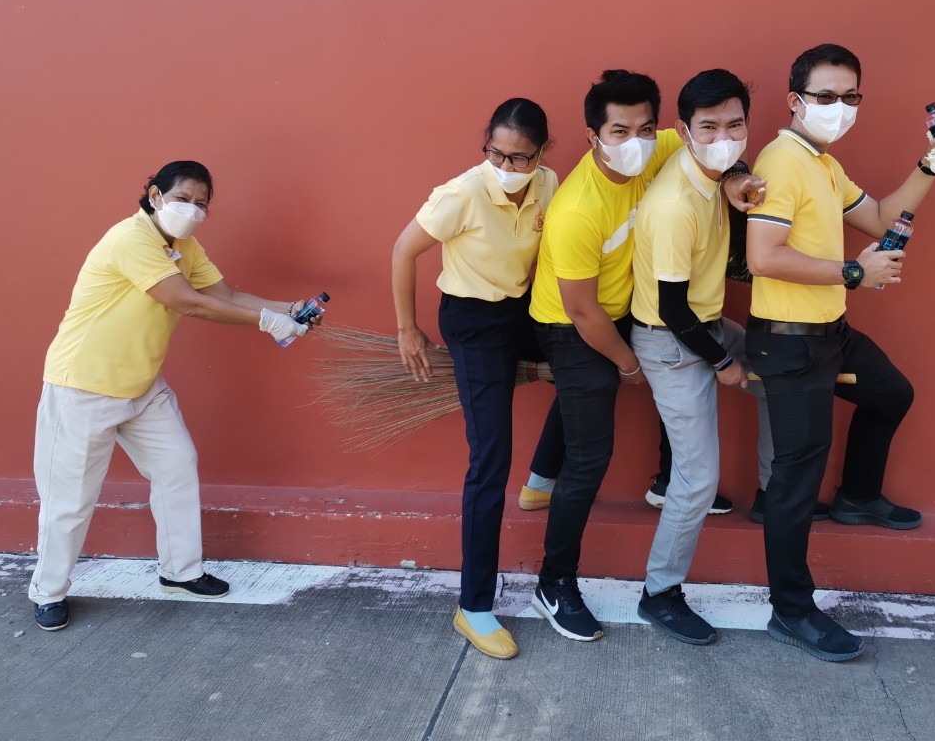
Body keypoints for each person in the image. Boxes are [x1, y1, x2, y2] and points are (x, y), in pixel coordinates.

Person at [30, 160, 319, 632]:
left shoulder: (185, 246)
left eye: (202, 204)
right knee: (70, 499)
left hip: (141, 385)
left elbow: (225, 295)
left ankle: (180, 572)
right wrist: (267, 323)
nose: (193, 210)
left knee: (177, 467)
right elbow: (187, 302)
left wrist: (289, 309)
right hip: (83, 386)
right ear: (155, 195)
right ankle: (48, 592)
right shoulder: (130, 239)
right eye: (183, 198)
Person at [525, 69, 762, 643]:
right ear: (593, 136)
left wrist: (736, 178)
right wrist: (627, 365)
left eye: (646, 129)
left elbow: (714, 145)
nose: (637, 142)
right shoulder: (576, 209)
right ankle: (554, 583)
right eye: (620, 131)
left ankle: (660, 481)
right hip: (573, 326)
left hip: (634, 310)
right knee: (590, 457)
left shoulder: (666, 144)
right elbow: (582, 311)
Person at [745, 44, 935, 662]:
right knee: (796, 481)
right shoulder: (782, 162)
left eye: (850, 96)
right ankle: (791, 610)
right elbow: (763, 257)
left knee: (891, 395)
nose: (840, 106)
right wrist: (854, 274)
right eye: (826, 96)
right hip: (789, 343)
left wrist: (930, 164)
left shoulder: (824, 164)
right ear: (795, 100)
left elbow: (881, 218)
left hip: (830, 334)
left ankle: (858, 497)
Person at [391, 99, 563, 661]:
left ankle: (541, 479)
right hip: (472, 322)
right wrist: (407, 330)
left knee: (589, 364)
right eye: (497, 153)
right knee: (490, 459)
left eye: (520, 157)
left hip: (521, 310)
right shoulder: (460, 193)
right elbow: (403, 251)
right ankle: (474, 606)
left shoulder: (549, 184)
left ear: (543, 152)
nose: (507, 166)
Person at [629, 68, 774, 644]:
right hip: (672, 342)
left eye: (735, 125)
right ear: (684, 131)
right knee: (698, 480)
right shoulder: (673, 206)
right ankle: (659, 594)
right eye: (708, 127)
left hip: (706, 323)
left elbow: (730, 162)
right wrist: (723, 364)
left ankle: (773, 492)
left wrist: (735, 175)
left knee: (780, 376)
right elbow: (671, 309)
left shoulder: (715, 171)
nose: (723, 137)